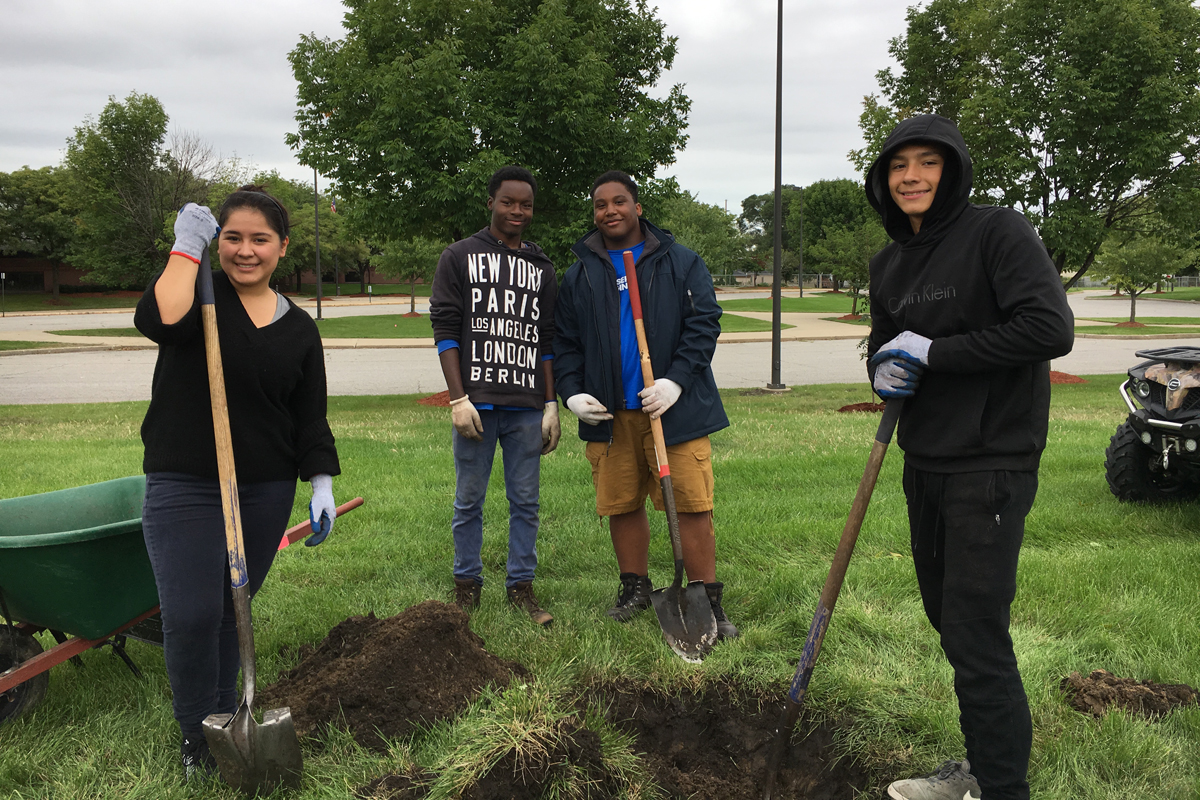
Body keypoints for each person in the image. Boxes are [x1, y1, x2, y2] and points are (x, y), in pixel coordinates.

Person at [863, 115, 1073, 800]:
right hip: (923, 457)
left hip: (991, 461)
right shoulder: (889, 262)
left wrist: (935, 353)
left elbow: (1048, 327)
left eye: (928, 163)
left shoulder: (998, 233)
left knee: (977, 635)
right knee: (949, 622)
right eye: (899, 166)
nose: (912, 177)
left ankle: (1001, 788)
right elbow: (884, 341)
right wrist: (881, 369)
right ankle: (980, 771)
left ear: (951, 170)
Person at [134, 187, 340, 780]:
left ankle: (225, 721)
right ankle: (195, 733)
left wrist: (320, 478)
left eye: (260, 240)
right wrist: (186, 248)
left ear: (282, 248)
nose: (245, 251)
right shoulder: (200, 297)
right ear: (216, 240)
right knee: (193, 614)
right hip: (184, 482)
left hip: (264, 488)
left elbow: (309, 415)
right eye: (232, 237)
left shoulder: (299, 328)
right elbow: (157, 318)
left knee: (232, 611)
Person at [553, 170, 737, 639]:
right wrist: (571, 392)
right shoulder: (580, 273)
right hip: (611, 415)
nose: (609, 211)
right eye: (600, 204)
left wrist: (675, 382)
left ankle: (706, 596)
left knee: (692, 503)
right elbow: (566, 341)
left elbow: (704, 325)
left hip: (673, 410)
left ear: (637, 207)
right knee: (621, 502)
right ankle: (635, 587)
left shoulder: (680, 262)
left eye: (619, 201)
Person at [428, 166, 560, 626]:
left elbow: (546, 339)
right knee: (469, 501)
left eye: (525, 204)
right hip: (477, 406)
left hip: (526, 407)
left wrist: (551, 404)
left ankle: (521, 587)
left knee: (526, 502)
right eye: (508, 202)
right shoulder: (459, 256)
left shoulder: (543, 268)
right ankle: (467, 587)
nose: (517, 211)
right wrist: (457, 398)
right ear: (491, 203)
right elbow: (445, 329)